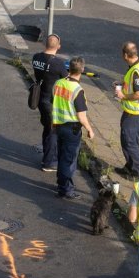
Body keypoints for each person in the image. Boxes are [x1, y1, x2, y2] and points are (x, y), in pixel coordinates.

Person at [52, 57, 94, 199]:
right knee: (68, 161)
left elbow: (54, 102)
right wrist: (90, 129)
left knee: (62, 156)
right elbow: (81, 116)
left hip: (58, 125)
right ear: (81, 70)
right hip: (72, 129)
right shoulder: (78, 90)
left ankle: (61, 184)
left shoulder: (58, 83)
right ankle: (66, 190)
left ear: (69, 68)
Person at [113, 42, 139, 181]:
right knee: (129, 140)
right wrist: (122, 84)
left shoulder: (136, 72)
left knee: (129, 141)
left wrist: (123, 96)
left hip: (134, 112)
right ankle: (130, 166)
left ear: (125, 55)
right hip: (135, 111)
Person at [32, 34, 68, 172]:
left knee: (47, 128)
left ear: (44, 44)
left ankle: (46, 152)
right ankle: (49, 162)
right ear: (58, 46)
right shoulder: (57, 63)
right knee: (53, 131)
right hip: (51, 101)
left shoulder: (36, 57)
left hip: (39, 98)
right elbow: (66, 79)